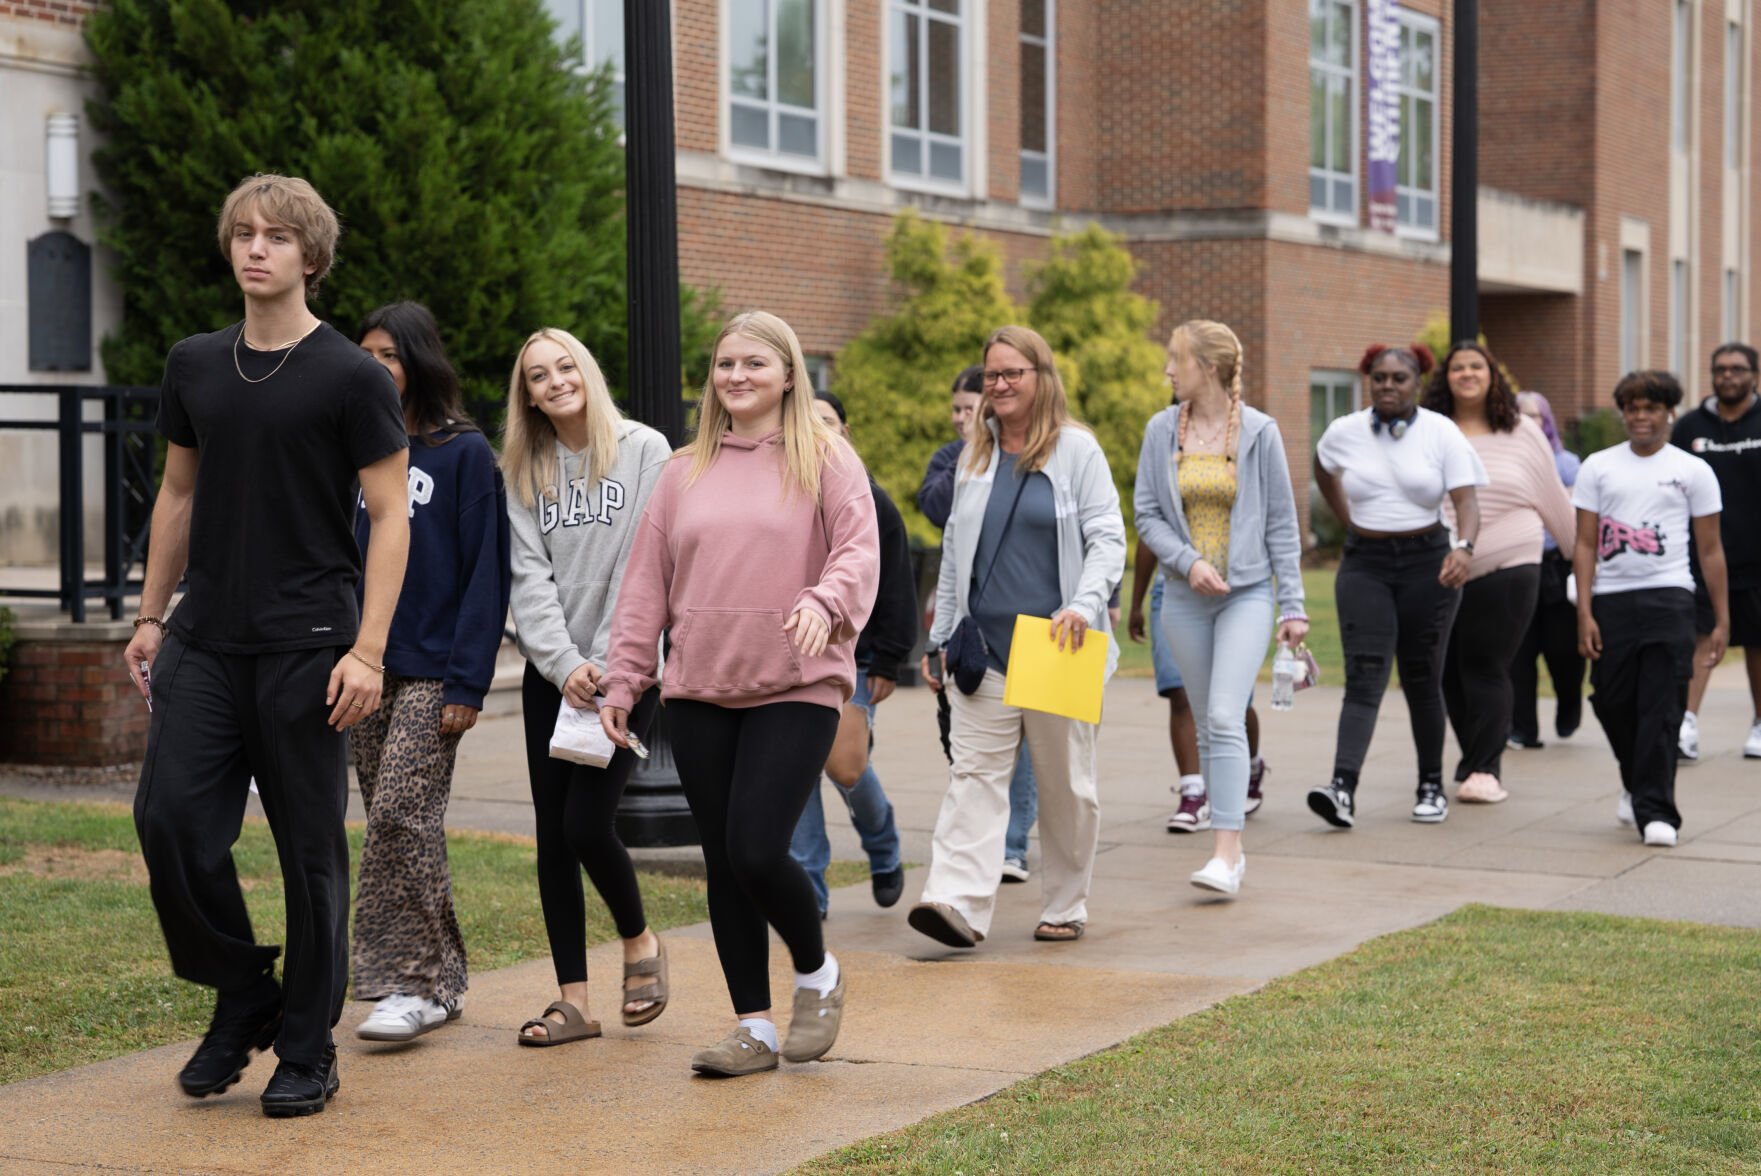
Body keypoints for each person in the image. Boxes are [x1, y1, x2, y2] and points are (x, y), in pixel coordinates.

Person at [124, 174, 410, 1117]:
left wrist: (368, 652)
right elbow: (177, 493)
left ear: (310, 257)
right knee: (168, 821)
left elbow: (390, 515)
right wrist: (151, 615)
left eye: (277, 236)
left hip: (309, 646)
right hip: (203, 638)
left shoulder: (353, 376)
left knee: (309, 856)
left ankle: (306, 1048)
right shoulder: (195, 363)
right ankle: (245, 989)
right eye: (243, 233)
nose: (256, 247)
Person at [600, 311, 879, 1077]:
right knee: (725, 862)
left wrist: (825, 600)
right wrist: (626, 677)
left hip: (797, 681)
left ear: (788, 375)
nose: (737, 376)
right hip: (698, 688)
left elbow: (858, 552)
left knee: (756, 848)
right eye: (725, 364)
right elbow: (645, 585)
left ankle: (816, 971)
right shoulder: (681, 471)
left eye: (755, 363)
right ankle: (752, 1028)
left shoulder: (824, 456)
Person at [910, 325, 1126, 946]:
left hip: (1059, 646)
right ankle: (954, 904)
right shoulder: (974, 455)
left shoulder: (1077, 451)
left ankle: (1065, 904)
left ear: (1042, 378)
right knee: (973, 779)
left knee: (1066, 788)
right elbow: (956, 553)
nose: (1000, 384)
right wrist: (940, 637)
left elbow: (1108, 538)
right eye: (992, 375)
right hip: (983, 651)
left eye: (1013, 373)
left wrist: (1083, 605)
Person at [503, 328, 675, 1046]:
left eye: (565, 366)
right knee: (553, 837)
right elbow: (527, 575)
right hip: (555, 676)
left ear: (587, 371)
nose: (555, 381)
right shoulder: (522, 468)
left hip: (626, 674)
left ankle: (640, 941)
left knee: (585, 824)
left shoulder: (645, 450)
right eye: (538, 376)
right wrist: (562, 663)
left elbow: (647, 564)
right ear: (528, 396)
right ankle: (572, 1000)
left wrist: (609, 667)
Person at [350, 303, 510, 1043]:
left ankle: (406, 986)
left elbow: (487, 574)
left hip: (432, 671)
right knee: (405, 828)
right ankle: (441, 984)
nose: (375, 366)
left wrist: (467, 681)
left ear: (418, 361)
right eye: (365, 354)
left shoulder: (463, 453)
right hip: (365, 665)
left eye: (388, 354)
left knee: (398, 816)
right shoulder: (354, 449)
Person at [1133, 320, 1306, 895]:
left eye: (1175, 359)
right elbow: (1146, 513)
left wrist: (1292, 605)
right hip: (1183, 598)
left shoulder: (1260, 432)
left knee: (1228, 716)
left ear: (1207, 367)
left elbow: (1281, 523)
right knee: (1207, 720)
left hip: (1246, 595)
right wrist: (1188, 563)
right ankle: (1225, 845)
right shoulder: (1161, 430)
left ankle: (1227, 853)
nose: (1167, 370)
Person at [1308, 344, 1486, 829]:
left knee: (1422, 675)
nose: (1388, 385)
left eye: (1398, 378)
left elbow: (1466, 501)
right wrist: (1348, 520)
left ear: (1417, 383)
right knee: (1364, 674)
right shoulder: (1344, 431)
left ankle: (1430, 785)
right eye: (1379, 377)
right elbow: (1323, 469)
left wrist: (1465, 547)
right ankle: (1341, 788)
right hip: (1364, 564)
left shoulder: (1440, 432)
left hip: (1428, 563)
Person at [1575, 371, 1727, 846]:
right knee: (1612, 699)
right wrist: (1584, 611)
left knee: (1662, 707)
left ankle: (1657, 811)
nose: (1641, 417)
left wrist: (1721, 619)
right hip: (1612, 599)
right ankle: (1637, 780)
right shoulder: (1598, 467)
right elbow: (1584, 544)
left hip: (1670, 596)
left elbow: (1710, 550)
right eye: (1633, 408)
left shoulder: (1692, 470)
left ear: (1669, 414)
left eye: (1651, 408)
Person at [1424, 342, 1576, 803]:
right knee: (1445, 672)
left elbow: (1552, 496)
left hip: (1511, 563)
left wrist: (1581, 561)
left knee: (1485, 665)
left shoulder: (1522, 431)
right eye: (1458, 367)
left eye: (1477, 366)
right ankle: (1474, 756)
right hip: (1442, 569)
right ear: (1446, 378)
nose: (1467, 374)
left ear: (1493, 376)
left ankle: (1485, 769)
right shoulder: (1431, 430)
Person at [789, 391, 915, 917]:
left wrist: (889, 659)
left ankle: (884, 847)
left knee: (845, 767)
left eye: (828, 421)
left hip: (853, 659)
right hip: (788, 656)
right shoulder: (780, 494)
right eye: (807, 421)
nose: (818, 430)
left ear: (845, 430)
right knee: (796, 772)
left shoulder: (870, 498)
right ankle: (809, 894)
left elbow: (896, 584)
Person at [920, 366, 1039, 882]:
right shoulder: (953, 458)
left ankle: (1013, 846)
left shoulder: (1044, 453)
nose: (960, 417)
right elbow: (936, 509)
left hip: (1037, 623)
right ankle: (966, 870)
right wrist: (973, 449)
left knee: (1036, 749)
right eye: (956, 409)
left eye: (970, 409)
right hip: (976, 626)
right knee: (973, 755)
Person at [1671, 342, 1761, 762]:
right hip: (1701, 557)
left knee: (1757, 643)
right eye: (1720, 369)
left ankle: (1760, 722)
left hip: (1756, 559)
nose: (1727, 375)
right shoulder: (1690, 426)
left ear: (1754, 376)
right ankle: (1685, 723)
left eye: (1737, 369)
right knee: (1700, 636)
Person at [1508, 391, 1585, 748]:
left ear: (1547, 420)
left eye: (1534, 415)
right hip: (1518, 565)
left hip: (1556, 566)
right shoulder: (1504, 460)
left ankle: (1569, 705)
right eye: (1519, 415)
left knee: (1563, 651)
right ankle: (1523, 728)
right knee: (1519, 652)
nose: (1527, 422)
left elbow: (1572, 514)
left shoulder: (1566, 463)